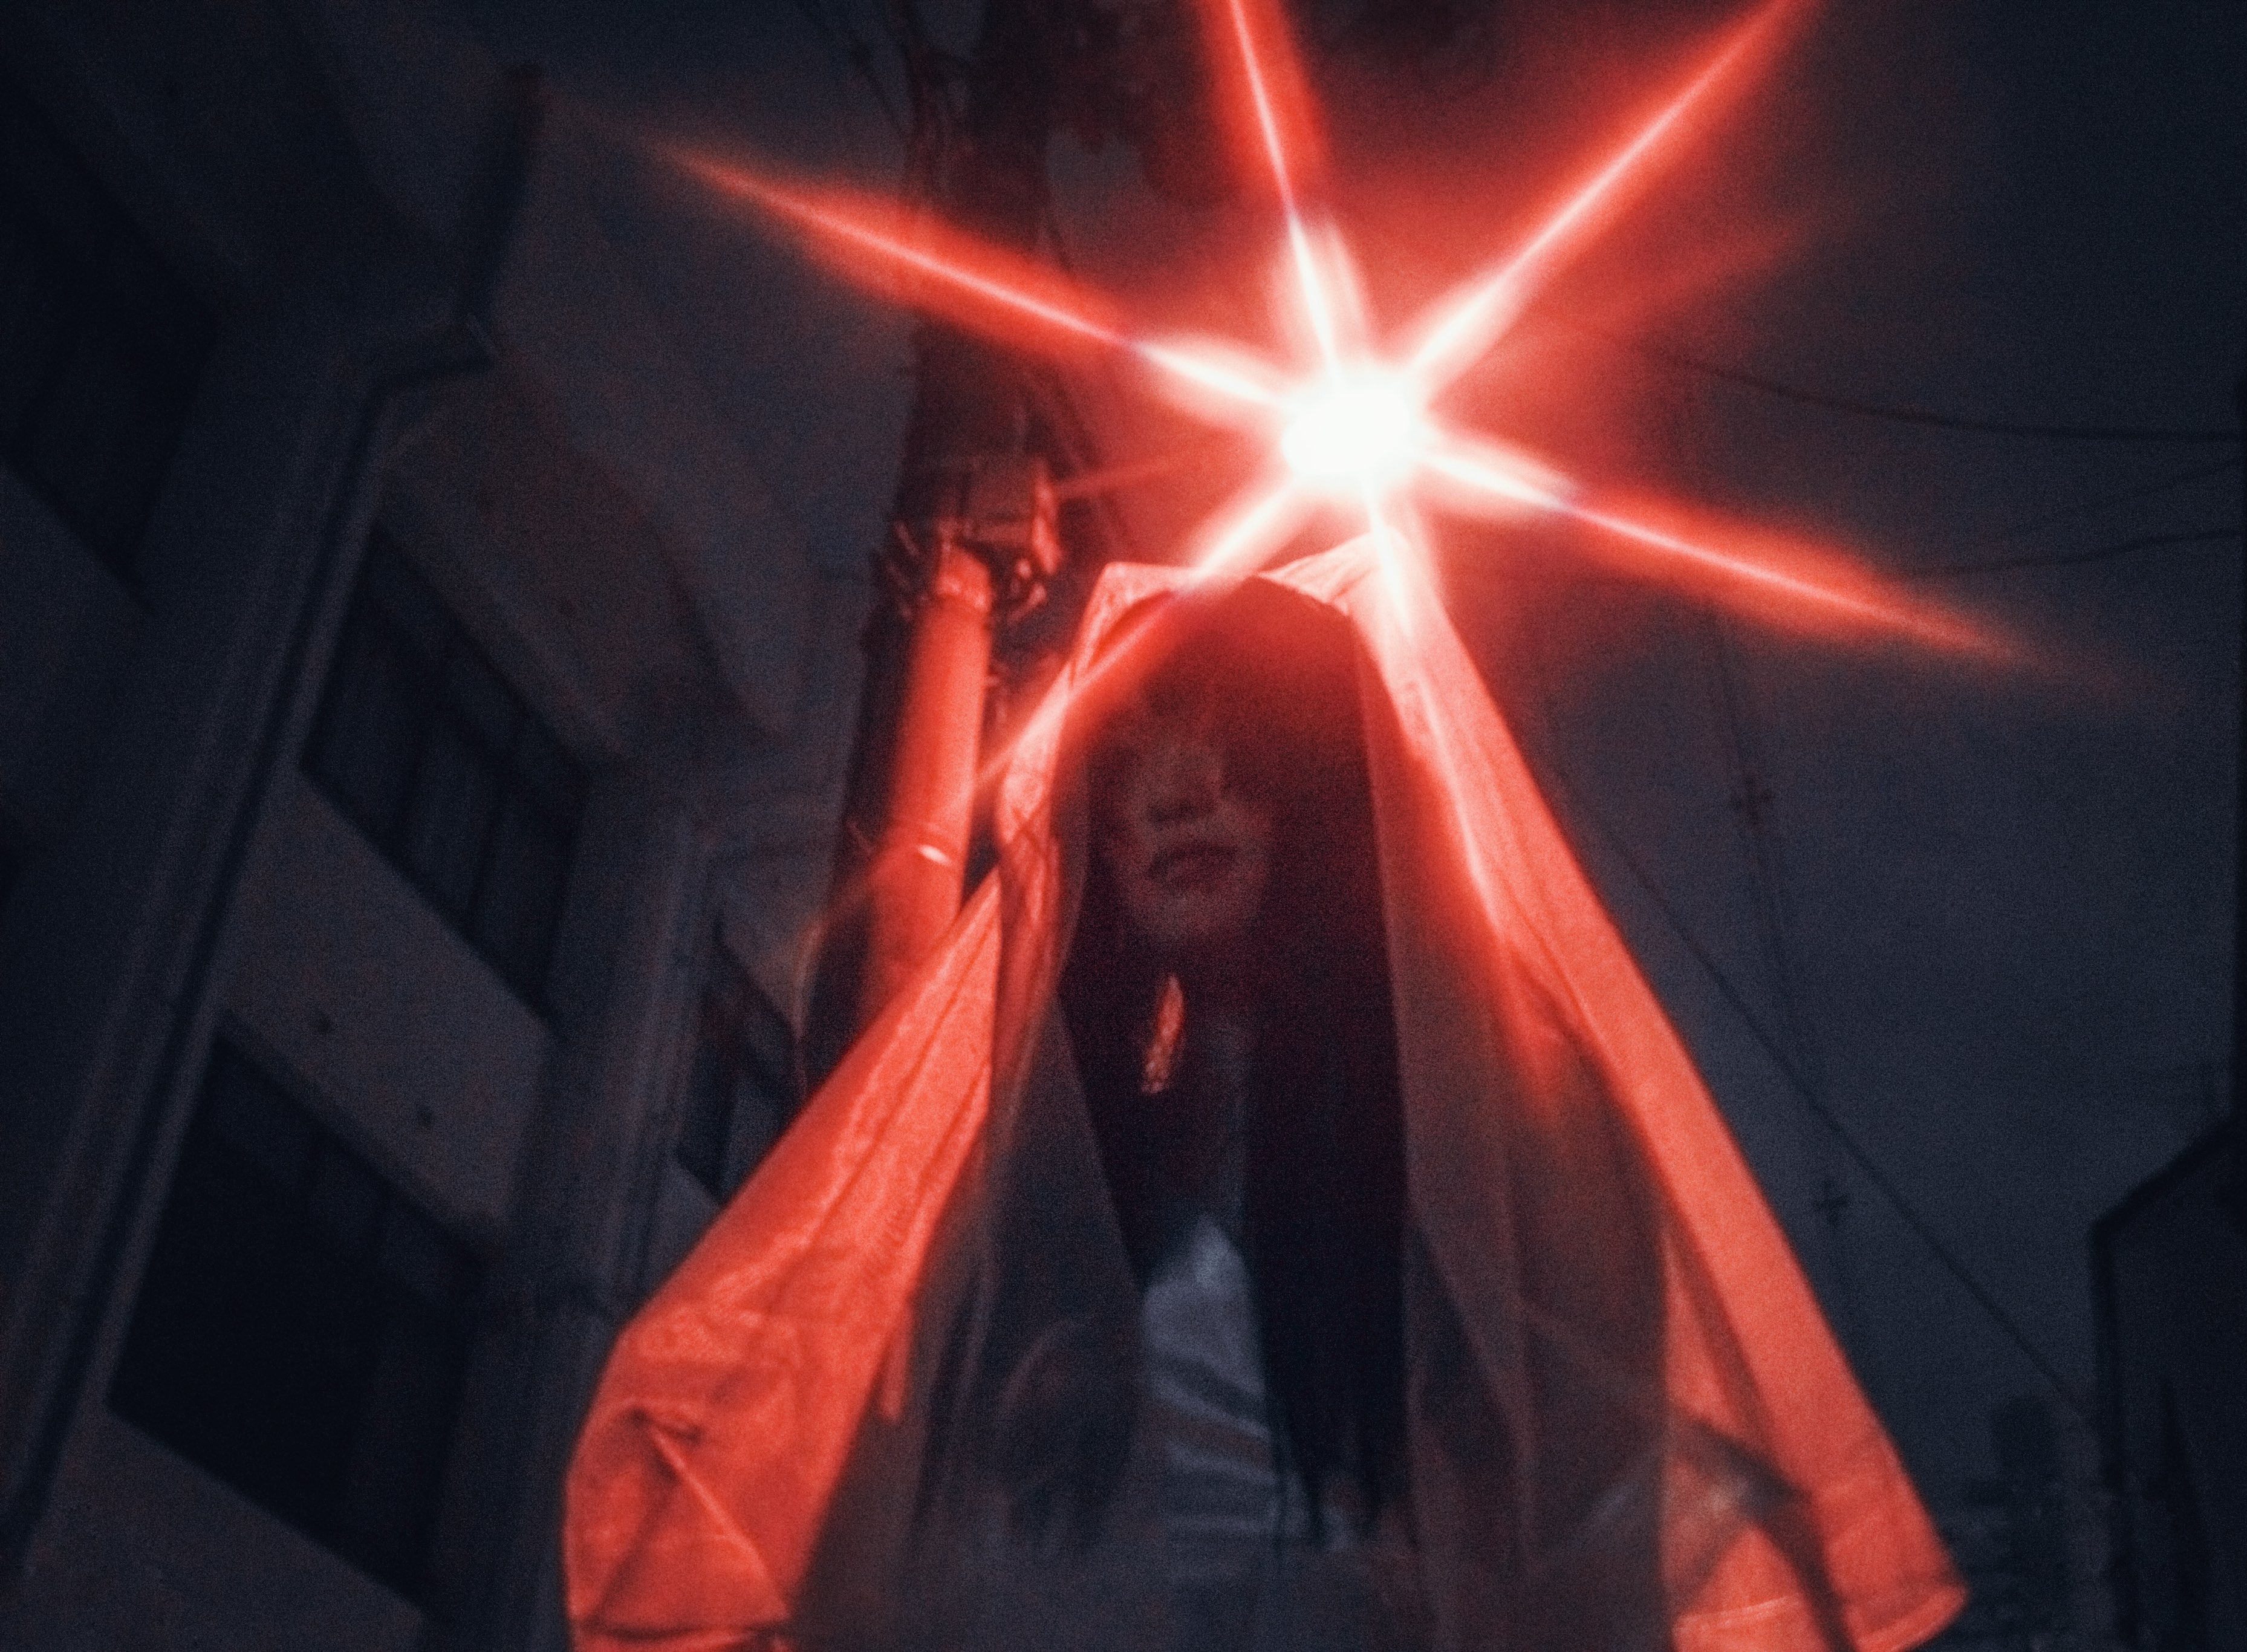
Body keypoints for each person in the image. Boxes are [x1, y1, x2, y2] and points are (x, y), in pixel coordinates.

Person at [564, 543, 1965, 1652]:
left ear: (1337, 782)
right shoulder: (1077, 1165)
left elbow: (1589, 1521)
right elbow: (913, 1534)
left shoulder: (1510, 1114)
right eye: (1129, 755)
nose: (1174, 791)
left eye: (1240, 735)